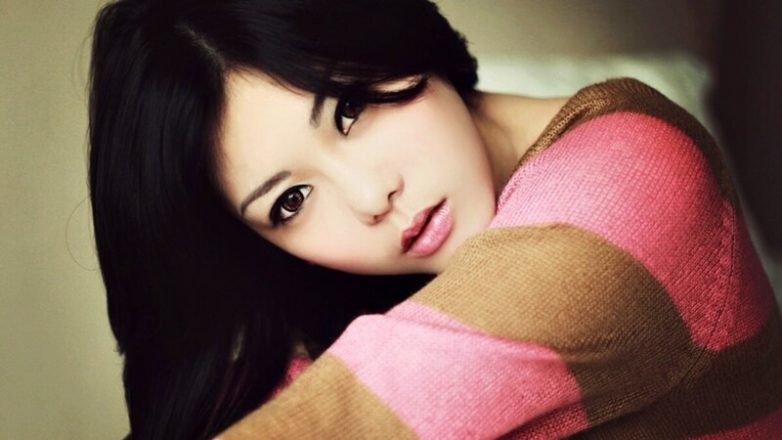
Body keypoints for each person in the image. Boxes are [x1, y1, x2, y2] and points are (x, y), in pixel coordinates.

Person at [88, 0, 782, 439]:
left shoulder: (629, 182)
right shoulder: (359, 292)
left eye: (349, 108)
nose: (371, 196)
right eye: (290, 202)